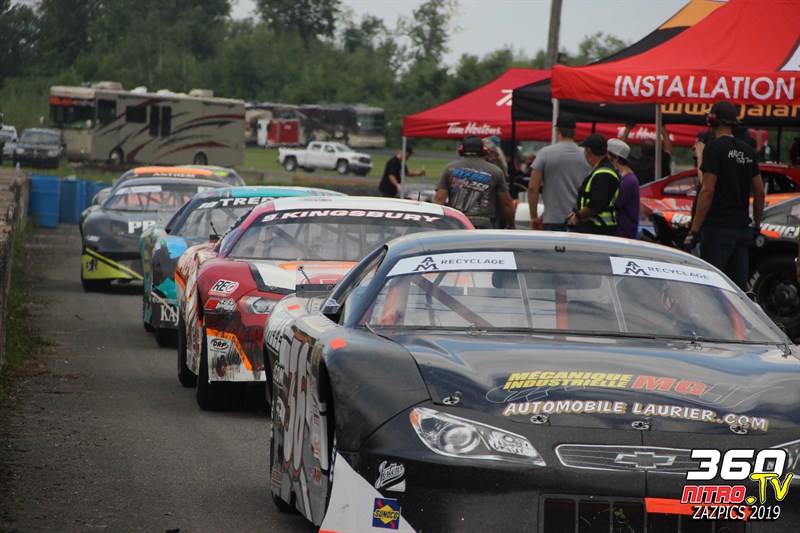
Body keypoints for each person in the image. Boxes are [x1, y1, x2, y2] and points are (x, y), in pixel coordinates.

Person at [684, 100, 765, 291]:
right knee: (737, 291)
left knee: (714, 289)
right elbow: (760, 192)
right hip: (742, 229)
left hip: (717, 230)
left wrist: (693, 231)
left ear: (712, 121)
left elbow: (707, 190)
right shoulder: (748, 150)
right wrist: (757, 227)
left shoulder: (714, 148)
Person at [434, 135, 516, 229]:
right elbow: (507, 203)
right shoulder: (495, 171)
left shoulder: (449, 169)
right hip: (483, 223)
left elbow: (439, 199)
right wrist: (511, 225)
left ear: (461, 150)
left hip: (457, 223)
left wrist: (436, 224)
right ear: (484, 150)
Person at [528, 113, 590, 231]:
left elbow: (532, 188)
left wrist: (534, 216)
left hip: (552, 219)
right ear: (574, 132)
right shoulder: (586, 155)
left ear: (557, 131)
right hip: (578, 218)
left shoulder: (545, 153)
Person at [566, 133, 620, 236]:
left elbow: (596, 204)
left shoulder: (603, 173)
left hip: (598, 230)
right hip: (597, 229)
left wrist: (578, 216)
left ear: (588, 151)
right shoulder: (601, 170)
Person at [606, 138, 640, 239]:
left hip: (623, 234)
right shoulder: (624, 178)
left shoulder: (628, 181)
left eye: (607, 155)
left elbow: (613, 203)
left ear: (615, 158)